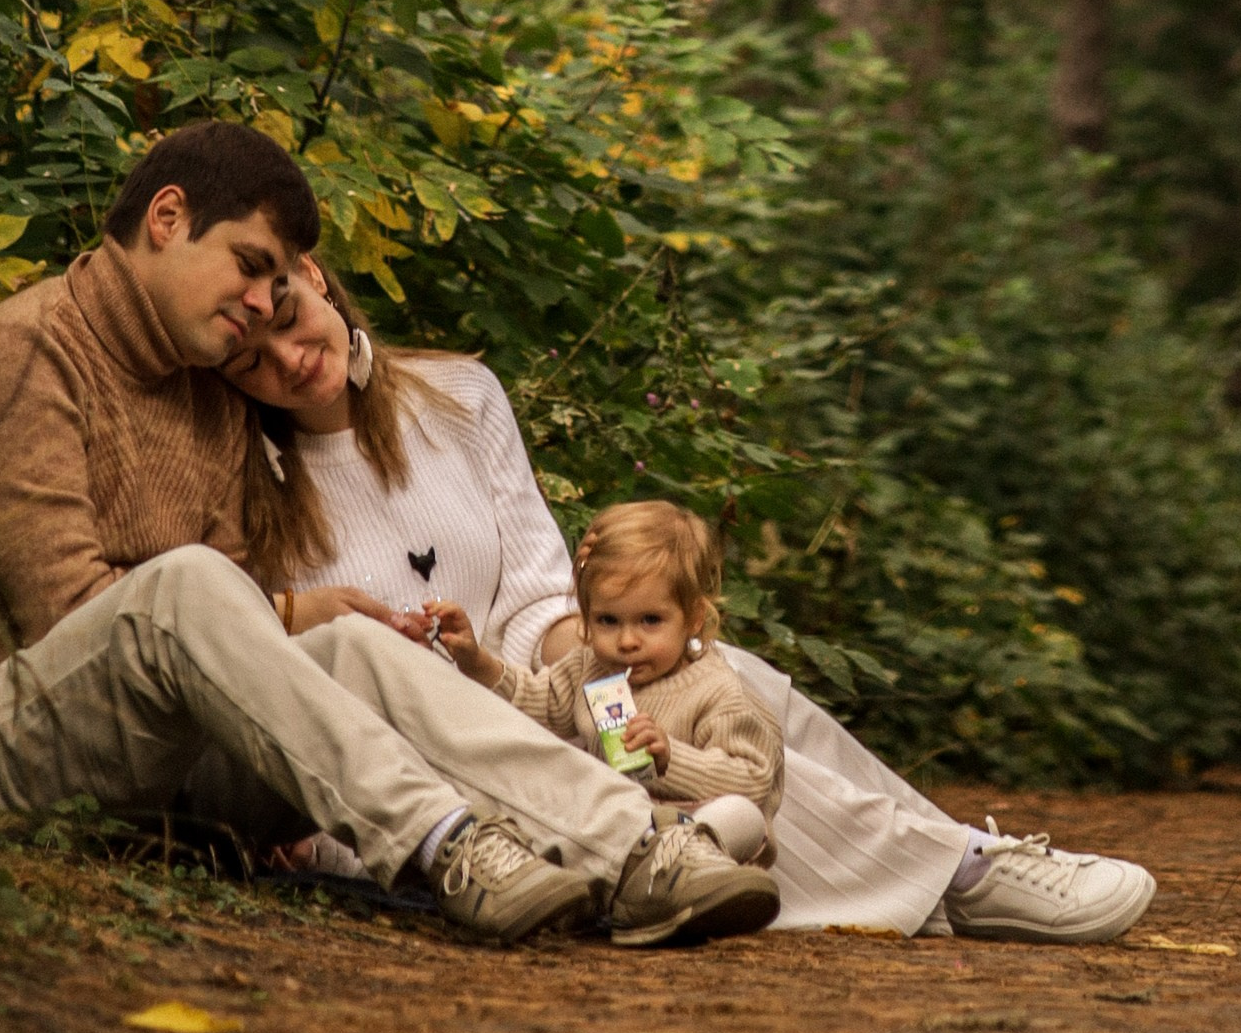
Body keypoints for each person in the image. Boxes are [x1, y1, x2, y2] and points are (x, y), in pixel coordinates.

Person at [0, 121, 776, 950]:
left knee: (350, 644)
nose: (264, 306)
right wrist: (280, 610)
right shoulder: (19, 353)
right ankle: (447, 841)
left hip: (161, 783)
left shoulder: (207, 391)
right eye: (251, 265)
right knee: (193, 587)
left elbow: (229, 646)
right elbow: (68, 614)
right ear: (167, 217)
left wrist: (309, 630)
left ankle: (635, 852)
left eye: (281, 285)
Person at [231, 256, 1158, 943]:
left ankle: (960, 859)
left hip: (543, 691)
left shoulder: (461, 397)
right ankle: (956, 873)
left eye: (290, 313)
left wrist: (609, 673)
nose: (288, 356)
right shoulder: (250, 479)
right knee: (691, 736)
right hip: (444, 753)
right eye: (252, 359)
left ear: (314, 275)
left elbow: (536, 588)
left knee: (724, 679)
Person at [457, 498, 784, 847]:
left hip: (695, 828)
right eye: (608, 620)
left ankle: (680, 864)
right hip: (616, 825)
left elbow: (753, 780)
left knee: (740, 817)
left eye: (650, 620)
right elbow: (541, 700)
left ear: (693, 618)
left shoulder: (717, 692)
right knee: (541, 785)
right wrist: (478, 663)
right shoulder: (591, 669)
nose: (627, 641)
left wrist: (670, 758)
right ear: (586, 615)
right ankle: (609, 869)